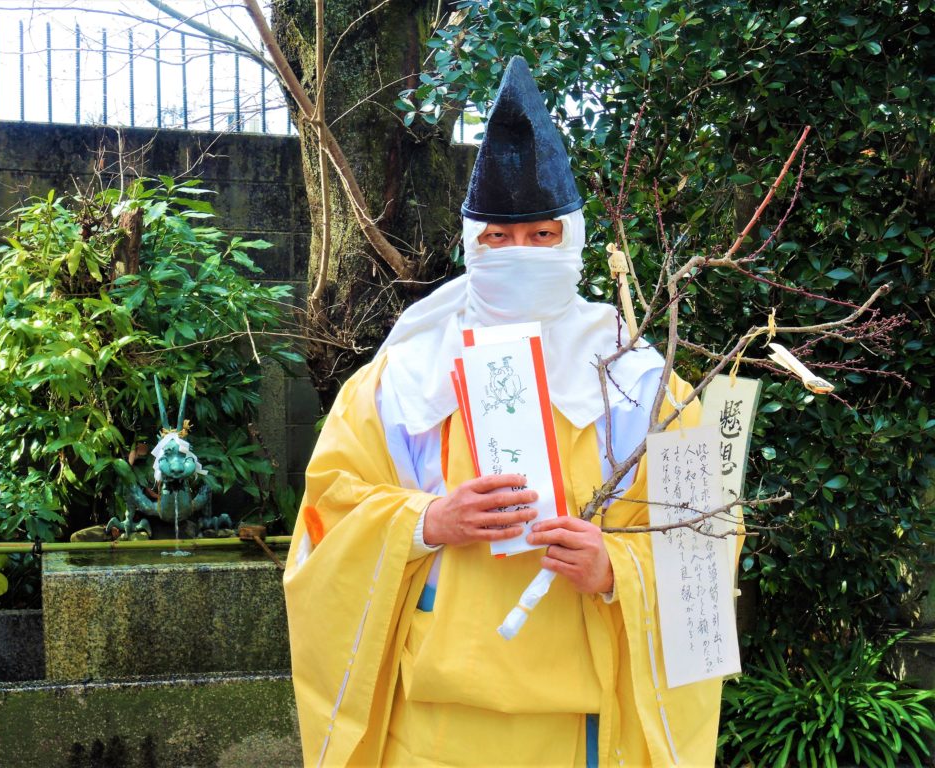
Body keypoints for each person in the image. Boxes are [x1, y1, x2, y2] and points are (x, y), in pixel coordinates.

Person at [284, 56, 725, 767]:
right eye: (498, 237)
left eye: (541, 236)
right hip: (428, 729)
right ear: (470, 243)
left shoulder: (646, 385)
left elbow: (705, 544)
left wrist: (617, 568)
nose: (520, 253)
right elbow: (324, 517)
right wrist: (425, 522)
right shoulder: (404, 379)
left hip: (580, 727)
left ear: (573, 241)